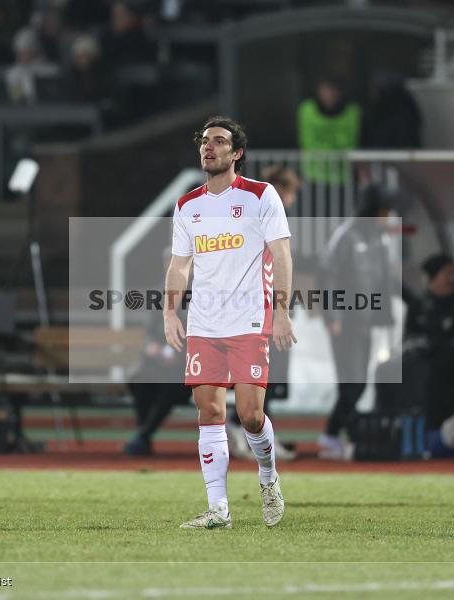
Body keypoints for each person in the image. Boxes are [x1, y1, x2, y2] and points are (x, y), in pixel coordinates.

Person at [165, 116, 294, 529]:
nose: (209, 147)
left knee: (252, 415)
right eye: (205, 141)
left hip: (250, 319)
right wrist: (170, 310)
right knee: (208, 411)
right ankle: (218, 509)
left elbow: (283, 254)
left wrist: (283, 311)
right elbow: (180, 265)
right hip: (204, 323)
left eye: (219, 141)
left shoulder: (261, 195)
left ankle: (269, 478)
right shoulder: (188, 205)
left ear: (236, 152)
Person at [225, 164, 301, 463]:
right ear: (280, 190)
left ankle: (251, 431)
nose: (293, 200)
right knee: (261, 375)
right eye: (292, 192)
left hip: (256, 304)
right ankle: (244, 429)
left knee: (262, 378)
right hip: (259, 306)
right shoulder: (260, 215)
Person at [318, 184, 399, 460]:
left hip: (366, 320)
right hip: (346, 320)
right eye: (385, 211)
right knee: (352, 382)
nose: (388, 217)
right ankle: (333, 435)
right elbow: (327, 274)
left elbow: (385, 280)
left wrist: (385, 315)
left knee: (359, 382)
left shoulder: (380, 238)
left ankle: (344, 437)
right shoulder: (346, 236)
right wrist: (333, 316)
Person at [123, 249, 192, 456]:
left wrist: (179, 354)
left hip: (186, 364)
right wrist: (150, 347)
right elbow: (149, 333)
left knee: (171, 385)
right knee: (139, 380)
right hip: (158, 362)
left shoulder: (200, 292)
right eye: (168, 262)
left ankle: (143, 436)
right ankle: (144, 435)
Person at [397, 254, 454, 430]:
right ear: (432, 278)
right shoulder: (419, 305)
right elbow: (409, 338)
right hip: (423, 370)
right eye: (447, 274)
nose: (452, 279)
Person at [297, 75, 361, 184]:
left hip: (342, 177)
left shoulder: (353, 111)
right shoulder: (307, 110)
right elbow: (307, 142)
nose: (330, 95)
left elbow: (351, 142)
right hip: (313, 175)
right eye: (326, 90)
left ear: (340, 93)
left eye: (333, 91)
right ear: (319, 91)